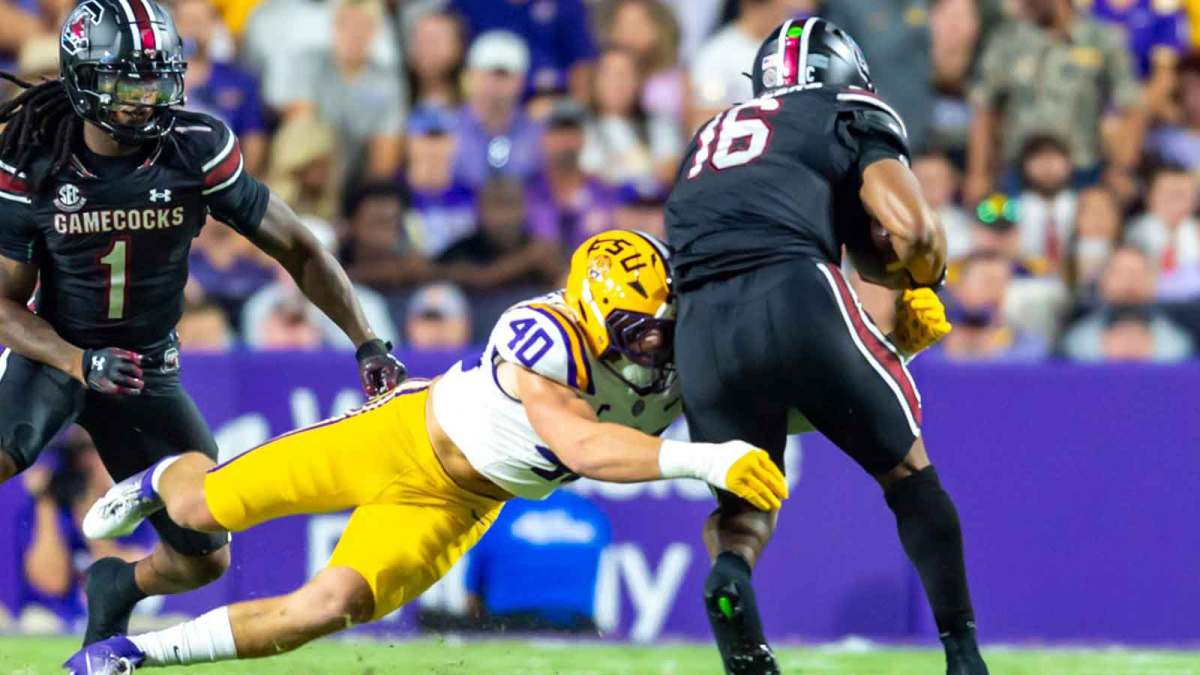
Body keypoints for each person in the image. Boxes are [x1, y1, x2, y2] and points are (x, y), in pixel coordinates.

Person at [66, 231, 788, 673]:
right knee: (198, 507)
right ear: (595, 316)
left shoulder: (682, 347)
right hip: (400, 437)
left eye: (666, 327)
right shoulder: (544, 331)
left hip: (463, 503)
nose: (659, 344)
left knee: (331, 603)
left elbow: (785, 397)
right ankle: (161, 474)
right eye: (642, 330)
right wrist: (708, 458)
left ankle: (133, 656)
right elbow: (580, 442)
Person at [0, 0, 404, 649]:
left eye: (157, 79)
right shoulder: (34, 158)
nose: (147, 99)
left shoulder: (194, 146)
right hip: (57, 353)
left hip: (145, 368)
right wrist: (79, 361)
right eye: (129, 84)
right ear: (84, 81)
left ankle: (117, 588)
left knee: (202, 555)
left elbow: (297, 246)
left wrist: (364, 337)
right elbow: (3, 304)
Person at [665, 19, 988, 675]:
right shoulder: (844, 109)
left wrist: (888, 276)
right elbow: (910, 226)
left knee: (747, 498)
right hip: (791, 288)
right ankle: (962, 652)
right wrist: (925, 279)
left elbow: (840, 233)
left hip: (698, 322)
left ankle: (733, 586)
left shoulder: (711, 136)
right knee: (908, 472)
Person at [964, 0, 1144, 205]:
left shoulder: (1102, 38)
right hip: (1017, 171)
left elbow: (1132, 106)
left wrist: (1121, 168)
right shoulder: (1007, 39)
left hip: (1084, 169)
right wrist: (977, 173)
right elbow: (984, 108)